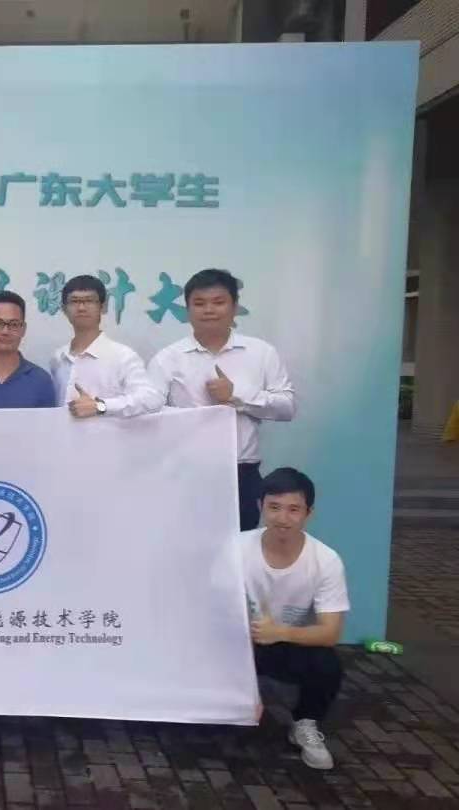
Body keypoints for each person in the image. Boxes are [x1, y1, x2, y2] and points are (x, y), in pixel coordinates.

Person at [148, 268, 295, 530]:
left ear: (234, 307)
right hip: (186, 472)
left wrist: (237, 397)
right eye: (199, 303)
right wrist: (189, 417)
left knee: (240, 546)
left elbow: (287, 407)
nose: (209, 310)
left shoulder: (261, 353)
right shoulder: (167, 359)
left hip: (242, 472)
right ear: (187, 309)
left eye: (218, 302)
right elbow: (149, 413)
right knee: (184, 545)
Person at [240, 467, 348, 770]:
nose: (282, 518)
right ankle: (221, 706)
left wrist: (279, 632)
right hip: (236, 641)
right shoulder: (235, 548)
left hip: (284, 642)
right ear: (260, 506)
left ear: (308, 513)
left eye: (293, 509)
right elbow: (210, 608)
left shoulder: (325, 560)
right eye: (274, 507)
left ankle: (305, 724)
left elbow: (330, 632)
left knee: (326, 665)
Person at [50, 275, 163, 419]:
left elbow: (151, 399)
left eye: (89, 301)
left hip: (105, 434)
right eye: (74, 301)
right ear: (64, 309)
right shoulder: (58, 358)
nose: (81, 307)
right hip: (61, 433)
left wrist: (101, 406)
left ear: (103, 307)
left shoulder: (123, 356)